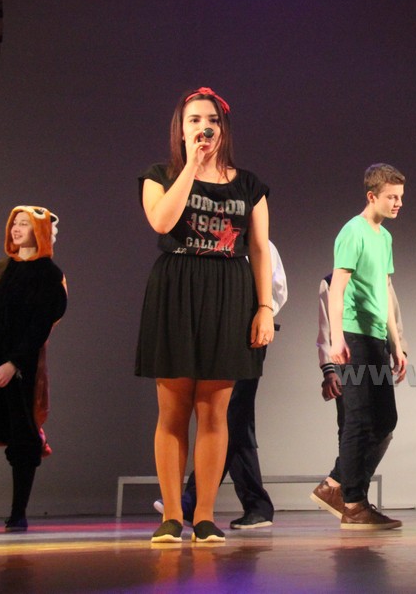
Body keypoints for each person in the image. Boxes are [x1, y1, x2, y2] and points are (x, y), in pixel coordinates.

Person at [135, 87, 274, 543]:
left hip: (229, 291)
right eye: (194, 120)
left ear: (223, 127)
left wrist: (265, 308)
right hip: (177, 288)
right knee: (172, 411)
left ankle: (207, 516)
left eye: (211, 119)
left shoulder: (249, 185)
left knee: (215, 413)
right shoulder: (159, 176)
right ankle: (172, 515)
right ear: (181, 129)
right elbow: (161, 221)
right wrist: (192, 167)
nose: (203, 127)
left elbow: (259, 249)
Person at [168, 240, 287, 530]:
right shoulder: (208, 246)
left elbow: (278, 290)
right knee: (236, 420)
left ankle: (193, 500)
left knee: (231, 415)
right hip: (218, 334)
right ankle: (256, 505)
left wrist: (260, 316)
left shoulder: (261, 246)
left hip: (247, 335)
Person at [324, 163, 407, 530]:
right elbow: (337, 288)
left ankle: (336, 486)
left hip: (376, 338)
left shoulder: (384, 237)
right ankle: (354, 502)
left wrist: (396, 343)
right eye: (391, 197)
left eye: (400, 197)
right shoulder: (352, 232)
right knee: (357, 419)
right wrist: (336, 337)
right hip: (354, 336)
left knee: (386, 420)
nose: (398, 203)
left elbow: (385, 292)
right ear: (372, 196)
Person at [310, 273, 406, 523]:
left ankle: (338, 487)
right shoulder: (332, 280)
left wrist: (398, 348)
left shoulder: (380, 275)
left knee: (383, 426)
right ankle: (352, 499)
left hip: (377, 351)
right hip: (346, 356)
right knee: (353, 427)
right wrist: (329, 370)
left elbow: (392, 313)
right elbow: (326, 329)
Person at [0, 206, 67, 532]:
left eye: (24, 224)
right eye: (15, 223)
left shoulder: (49, 274)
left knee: (22, 438)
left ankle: (18, 513)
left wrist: (14, 363)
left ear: (38, 231)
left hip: (20, 368)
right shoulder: (2, 269)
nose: (16, 228)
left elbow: (41, 323)